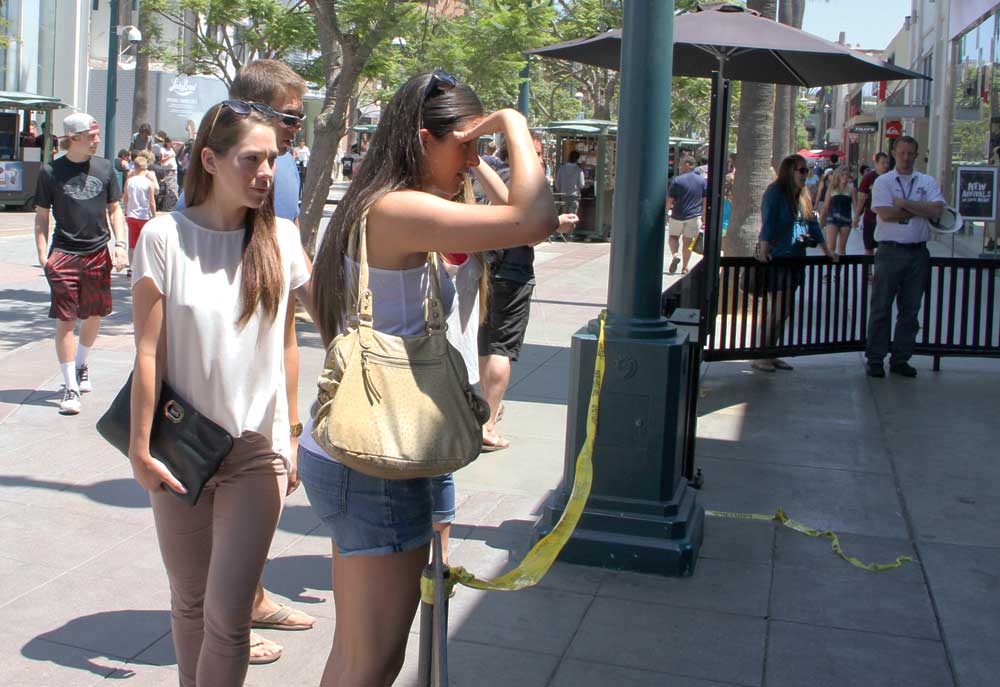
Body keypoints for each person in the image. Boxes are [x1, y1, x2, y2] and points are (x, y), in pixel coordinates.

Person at [298, 71, 557, 687]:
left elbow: (502, 211)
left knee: (360, 652)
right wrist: (513, 123)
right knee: (374, 660)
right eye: (464, 144)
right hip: (376, 458)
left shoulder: (380, 200)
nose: (473, 158)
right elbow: (533, 218)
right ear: (421, 139)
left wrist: (477, 151)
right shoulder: (398, 208)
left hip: (373, 445)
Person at [129, 101, 311, 686]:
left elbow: (289, 344)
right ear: (209, 160)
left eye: (273, 161)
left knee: (228, 616)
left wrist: (294, 436)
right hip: (180, 449)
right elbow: (148, 351)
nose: (266, 173)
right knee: (189, 601)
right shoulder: (163, 237)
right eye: (251, 159)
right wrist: (139, 449)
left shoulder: (281, 238)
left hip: (256, 450)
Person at [33, 113, 127, 415]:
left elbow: (115, 210)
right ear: (73, 139)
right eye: (91, 136)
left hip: (98, 252)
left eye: (97, 134)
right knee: (66, 320)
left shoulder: (105, 168)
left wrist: (120, 245)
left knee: (94, 315)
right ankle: (70, 386)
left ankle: (82, 363)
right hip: (64, 253)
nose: (96, 140)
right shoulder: (50, 172)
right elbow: (41, 215)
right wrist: (42, 255)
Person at [864, 136, 944, 379]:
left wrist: (904, 204)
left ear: (916, 155)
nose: (906, 157)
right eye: (902, 153)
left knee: (910, 309)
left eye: (910, 153)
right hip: (889, 251)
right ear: (894, 154)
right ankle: (875, 359)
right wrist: (920, 208)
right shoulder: (883, 182)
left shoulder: (926, 181)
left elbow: (937, 210)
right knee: (881, 307)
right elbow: (885, 214)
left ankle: (901, 358)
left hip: (918, 253)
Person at [754, 154, 838, 373]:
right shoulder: (775, 193)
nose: (805, 174)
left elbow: (813, 224)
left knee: (786, 309)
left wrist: (827, 249)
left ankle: (772, 353)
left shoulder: (803, 195)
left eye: (806, 170)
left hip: (796, 257)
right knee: (779, 308)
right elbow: (768, 222)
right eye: (801, 170)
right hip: (779, 257)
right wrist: (764, 249)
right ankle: (762, 354)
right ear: (789, 171)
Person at [666, 155, 707, 274]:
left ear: (688, 165)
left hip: (677, 215)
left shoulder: (677, 180)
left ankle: (675, 255)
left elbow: (669, 199)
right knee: (688, 241)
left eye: (681, 163)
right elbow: (705, 200)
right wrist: (704, 215)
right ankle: (684, 267)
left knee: (673, 237)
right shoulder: (702, 181)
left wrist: (665, 213)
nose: (679, 166)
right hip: (694, 216)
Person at [123, 154, 157, 273]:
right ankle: (143, 267)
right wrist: (154, 215)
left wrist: (126, 211)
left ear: (135, 167)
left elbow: (125, 198)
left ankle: (131, 267)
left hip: (132, 215)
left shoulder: (129, 181)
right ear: (145, 168)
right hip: (144, 216)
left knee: (132, 242)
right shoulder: (149, 183)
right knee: (144, 242)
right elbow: (152, 202)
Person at [855, 152, 890, 257]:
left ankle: (880, 271)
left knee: (883, 248)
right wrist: (856, 216)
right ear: (876, 164)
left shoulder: (891, 177)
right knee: (869, 247)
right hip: (870, 218)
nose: (886, 165)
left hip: (886, 219)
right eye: (883, 163)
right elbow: (862, 199)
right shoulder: (869, 178)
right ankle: (868, 271)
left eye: (887, 163)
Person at [819, 165, 855, 256]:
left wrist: (856, 218)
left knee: (842, 249)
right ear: (838, 176)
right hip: (832, 218)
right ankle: (830, 268)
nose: (845, 177)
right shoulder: (832, 189)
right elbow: (826, 206)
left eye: (847, 175)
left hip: (846, 219)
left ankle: (839, 270)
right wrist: (821, 221)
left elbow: (855, 206)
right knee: (831, 247)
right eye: (842, 175)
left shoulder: (851, 190)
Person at [554, 149, 585, 214]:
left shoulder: (562, 168)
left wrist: (562, 190)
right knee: (572, 218)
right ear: (577, 159)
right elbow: (582, 184)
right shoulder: (579, 170)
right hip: (574, 196)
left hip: (563, 195)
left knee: (564, 217)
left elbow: (557, 183)